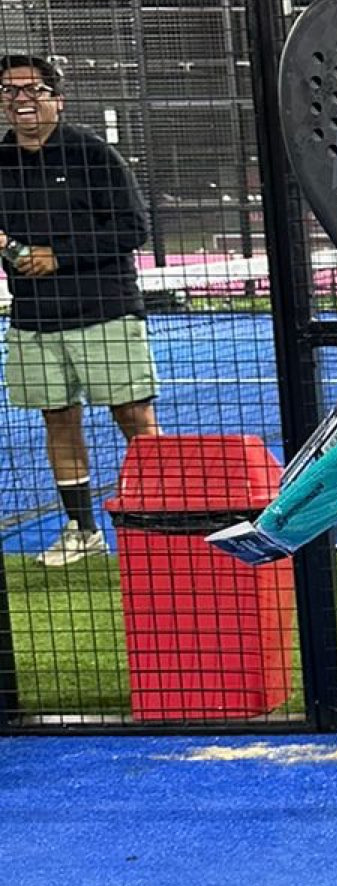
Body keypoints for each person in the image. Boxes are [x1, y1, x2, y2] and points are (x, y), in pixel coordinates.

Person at [0, 55, 158, 564]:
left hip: (104, 309)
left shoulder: (92, 153)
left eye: (33, 89)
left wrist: (59, 256)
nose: (21, 99)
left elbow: (134, 228)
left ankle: (164, 519)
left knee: (133, 415)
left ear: (57, 100)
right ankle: (82, 529)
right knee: (58, 419)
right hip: (34, 318)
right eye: (9, 90)